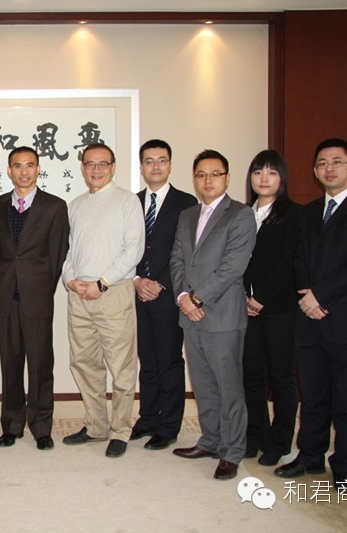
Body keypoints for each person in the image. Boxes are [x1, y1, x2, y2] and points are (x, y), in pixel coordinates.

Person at [275, 138, 347, 491]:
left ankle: (345, 466)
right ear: (314, 171)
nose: (329, 168)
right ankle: (309, 456)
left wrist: (320, 296)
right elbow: (296, 257)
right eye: (322, 163)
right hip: (308, 319)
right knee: (313, 396)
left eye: (337, 162)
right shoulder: (308, 212)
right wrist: (306, 296)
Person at [170, 149, 256, 480]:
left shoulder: (241, 214)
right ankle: (210, 440)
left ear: (227, 178)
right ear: (194, 179)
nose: (208, 180)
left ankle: (232, 451)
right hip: (189, 314)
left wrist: (197, 298)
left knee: (228, 386)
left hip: (222, 316)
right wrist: (183, 298)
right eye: (201, 175)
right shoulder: (187, 215)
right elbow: (177, 259)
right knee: (203, 383)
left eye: (215, 174)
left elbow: (233, 266)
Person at [61, 143, 144, 459]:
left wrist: (102, 283)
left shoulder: (127, 201)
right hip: (80, 294)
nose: (96, 170)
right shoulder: (76, 205)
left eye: (103, 164)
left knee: (121, 366)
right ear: (82, 167)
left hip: (113, 293)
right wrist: (70, 280)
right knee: (84, 363)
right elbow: (69, 251)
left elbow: (133, 250)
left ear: (113, 166)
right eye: (90, 164)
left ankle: (120, 430)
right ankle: (96, 426)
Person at [0, 146, 69, 451]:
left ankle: (41, 426)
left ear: (38, 169)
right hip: (6, 297)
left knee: (40, 364)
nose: (24, 171)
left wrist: (41, 288)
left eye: (30, 165)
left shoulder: (54, 207)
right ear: (9, 171)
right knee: (9, 363)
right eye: (18, 166)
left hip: (37, 297)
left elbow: (57, 255)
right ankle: (11, 425)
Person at [130, 139, 196, 451]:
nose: (155, 166)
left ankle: (168, 426)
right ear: (141, 166)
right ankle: (147, 419)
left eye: (161, 160)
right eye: (149, 161)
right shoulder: (132, 202)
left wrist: (161, 283)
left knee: (169, 360)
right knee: (147, 360)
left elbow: (187, 252)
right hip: (137, 293)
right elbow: (126, 246)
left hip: (169, 295)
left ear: (170, 164)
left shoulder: (186, 203)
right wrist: (136, 280)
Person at [241, 150, 301, 467]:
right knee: (251, 375)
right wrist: (243, 297)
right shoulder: (243, 214)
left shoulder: (294, 214)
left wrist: (261, 297)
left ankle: (279, 442)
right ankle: (256, 436)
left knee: (281, 377)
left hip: (278, 309)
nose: (264, 178)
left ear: (282, 178)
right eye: (258, 172)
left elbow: (289, 262)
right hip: (246, 309)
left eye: (271, 172)